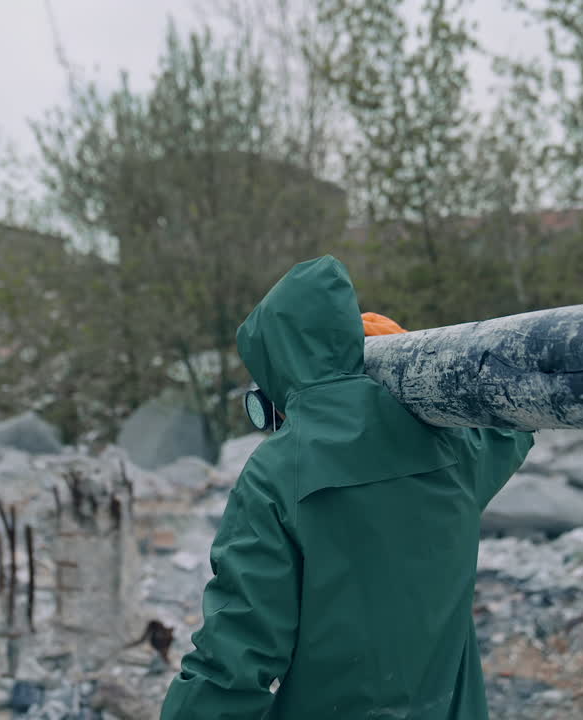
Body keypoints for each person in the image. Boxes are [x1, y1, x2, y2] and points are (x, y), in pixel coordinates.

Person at [159, 255, 534, 719]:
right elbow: (513, 420)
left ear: (279, 367)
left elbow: (235, 654)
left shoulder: (277, 472)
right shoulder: (453, 448)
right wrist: (415, 363)